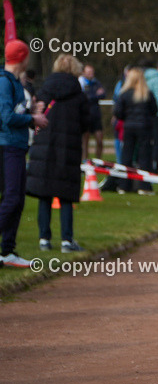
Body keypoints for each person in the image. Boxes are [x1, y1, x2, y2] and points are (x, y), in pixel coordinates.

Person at [27, 54, 90, 252]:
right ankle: (66, 239)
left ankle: (44, 238)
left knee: (44, 194)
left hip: (45, 145)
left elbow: (35, 115)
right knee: (66, 195)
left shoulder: (44, 90)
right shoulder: (79, 95)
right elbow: (86, 123)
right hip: (68, 146)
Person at [1, 39, 48, 268]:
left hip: (17, 145)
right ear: (22, 58)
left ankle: (7, 251)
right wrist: (32, 119)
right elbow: (7, 117)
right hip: (8, 146)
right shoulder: (4, 82)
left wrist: (31, 113)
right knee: (11, 199)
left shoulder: (15, 82)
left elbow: (16, 113)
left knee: (17, 200)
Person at [113, 67, 158, 195]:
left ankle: (124, 185)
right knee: (145, 157)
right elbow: (154, 110)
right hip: (144, 127)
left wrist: (127, 118)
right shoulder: (147, 93)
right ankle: (144, 186)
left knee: (126, 156)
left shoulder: (124, 94)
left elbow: (118, 112)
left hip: (129, 127)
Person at [78, 64, 105, 160]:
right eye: (89, 72)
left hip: (96, 116)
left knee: (100, 141)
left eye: (92, 72)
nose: (91, 74)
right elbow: (85, 97)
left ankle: (98, 162)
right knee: (85, 142)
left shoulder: (96, 82)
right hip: (86, 116)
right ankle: (85, 163)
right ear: (84, 73)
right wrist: (95, 95)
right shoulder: (81, 83)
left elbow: (103, 94)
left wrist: (92, 96)